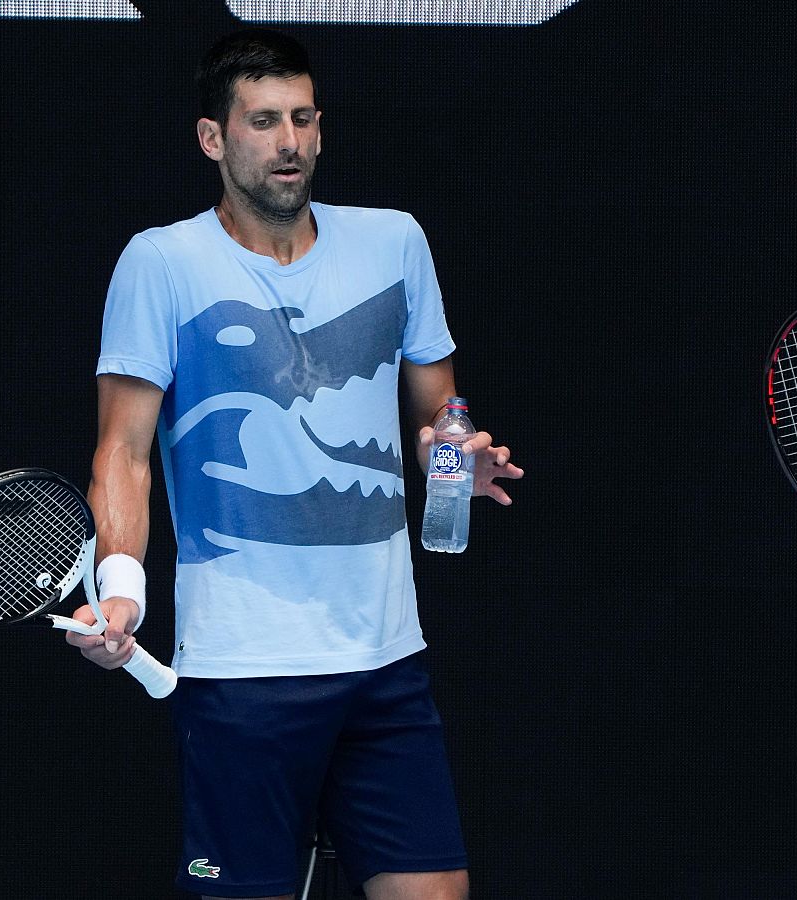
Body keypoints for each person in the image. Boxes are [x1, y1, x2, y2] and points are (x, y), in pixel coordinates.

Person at [63, 28, 521, 900]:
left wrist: (452, 452)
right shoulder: (160, 263)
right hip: (241, 672)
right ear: (214, 139)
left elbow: (437, 414)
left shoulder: (395, 243)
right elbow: (122, 453)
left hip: (385, 660)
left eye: (303, 120)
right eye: (265, 121)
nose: (290, 143)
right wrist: (124, 586)